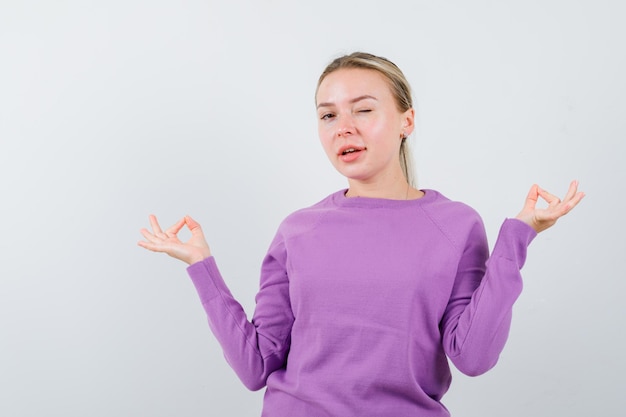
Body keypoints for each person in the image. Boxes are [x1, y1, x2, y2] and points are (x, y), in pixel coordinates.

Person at [138, 52, 584, 417]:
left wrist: (518, 238)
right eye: (328, 115)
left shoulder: (455, 225)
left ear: (407, 121)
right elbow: (256, 366)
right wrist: (202, 267)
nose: (343, 127)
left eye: (364, 110)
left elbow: (473, 357)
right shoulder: (298, 230)